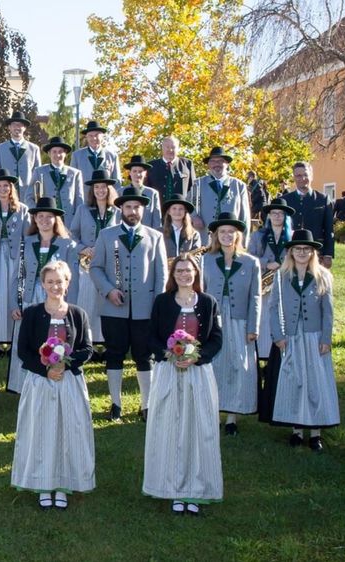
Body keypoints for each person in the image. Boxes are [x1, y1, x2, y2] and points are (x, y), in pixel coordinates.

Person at [144, 253, 224, 516]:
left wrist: (196, 357)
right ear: (173, 275)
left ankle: (197, 489)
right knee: (170, 427)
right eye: (179, 271)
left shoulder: (209, 303)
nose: (184, 275)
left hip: (198, 374)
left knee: (199, 428)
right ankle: (173, 488)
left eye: (188, 271)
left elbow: (216, 339)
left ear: (196, 273)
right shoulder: (162, 302)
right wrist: (171, 355)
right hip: (169, 372)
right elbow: (152, 337)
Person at [11, 261, 95, 510]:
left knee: (69, 431)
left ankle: (64, 483)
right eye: (50, 282)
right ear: (43, 284)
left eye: (60, 281)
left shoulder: (78, 314)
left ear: (67, 283)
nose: (55, 286)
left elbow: (87, 349)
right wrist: (45, 370)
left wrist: (63, 367)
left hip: (69, 382)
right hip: (41, 383)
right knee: (42, 430)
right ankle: (43, 483)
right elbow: (23, 351)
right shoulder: (33, 313)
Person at [90, 186, 168, 422]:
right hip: (114, 307)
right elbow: (95, 268)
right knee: (114, 354)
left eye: (137, 207)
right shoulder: (106, 235)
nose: (133, 211)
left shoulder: (155, 237)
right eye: (128, 207)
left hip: (145, 309)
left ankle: (146, 405)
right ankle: (115, 404)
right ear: (121, 208)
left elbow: (162, 274)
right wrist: (109, 290)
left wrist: (157, 306)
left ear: (142, 209)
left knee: (145, 356)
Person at [259, 230, 339, 450]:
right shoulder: (282, 276)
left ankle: (315, 432)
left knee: (315, 382)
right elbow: (274, 308)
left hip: (314, 337)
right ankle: (296, 429)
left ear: (313, 252)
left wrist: (325, 338)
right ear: (291, 252)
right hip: (291, 336)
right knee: (294, 381)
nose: (302, 253)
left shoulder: (322, 276)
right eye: (297, 249)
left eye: (306, 249)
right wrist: (278, 336)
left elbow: (328, 311)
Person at [7, 198, 81, 394]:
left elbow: (73, 280)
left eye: (49, 216)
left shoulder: (68, 245)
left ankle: (55, 372)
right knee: (29, 338)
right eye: (40, 216)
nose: (45, 220)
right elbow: (17, 275)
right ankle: (25, 384)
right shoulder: (27, 242)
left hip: (57, 299)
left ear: (56, 219)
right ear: (35, 219)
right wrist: (14, 303)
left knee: (54, 337)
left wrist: (68, 308)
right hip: (31, 297)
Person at [202, 212, 261, 435]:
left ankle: (232, 417)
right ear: (216, 235)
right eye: (222, 232)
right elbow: (202, 291)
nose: (227, 235)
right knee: (214, 364)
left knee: (238, 364)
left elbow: (255, 297)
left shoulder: (250, 262)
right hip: (214, 320)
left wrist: (253, 327)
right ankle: (213, 412)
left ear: (238, 236)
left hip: (239, 319)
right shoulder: (206, 259)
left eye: (231, 232)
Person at [0, 172, 31, 355]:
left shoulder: (22, 209)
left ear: (11, 188)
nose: (2, 189)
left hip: (14, 257)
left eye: (6, 186)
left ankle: (12, 339)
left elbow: (28, 235)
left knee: (12, 296)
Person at [68, 172, 120, 347]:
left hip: (110, 263)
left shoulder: (117, 211)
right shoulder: (83, 209)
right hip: (87, 262)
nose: (100, 190)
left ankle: (104, 343)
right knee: (87, 301)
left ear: (109, 189)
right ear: (92, 190)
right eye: (96, 187)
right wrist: (84, 248)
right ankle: (86, 341)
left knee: (104, 303)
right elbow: (72, 234)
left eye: (103, 187)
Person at [248, 197, 294, 361]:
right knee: (266, 316)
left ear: (285, 216)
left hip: (286, 283)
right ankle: (264, 353)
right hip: (264, 284)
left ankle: (282, 351)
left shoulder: (292, 236)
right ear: (268, 216)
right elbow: (249, 258)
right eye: (273, 213)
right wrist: (267, 263)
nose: (276, 216)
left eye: (280, 214)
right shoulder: (257, 235)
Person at [280, 162, 335, 268]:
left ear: (312, 175)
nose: (303, 178)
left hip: (316, 253)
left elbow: (329, 230)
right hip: (291, 253)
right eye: (298, 176)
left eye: (306, 175)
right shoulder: (285, 200)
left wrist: (328, 254)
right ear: (294, 178)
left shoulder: (323, 199)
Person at [191, 147, 250, 240]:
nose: (217, 164)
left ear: (227, 164)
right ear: (208, 164)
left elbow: (245, 217)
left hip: (231, 241)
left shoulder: (239, 186)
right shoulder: (197, 184)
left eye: (220, 161)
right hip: (204, 239)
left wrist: (244, 242)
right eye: (213, 161)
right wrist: (193, 217)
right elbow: (187, 208)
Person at [29, 137, 84, 225]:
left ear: (65, 154)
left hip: (69, 221)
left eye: (60, 152)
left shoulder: (75, 173)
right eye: (54, 152)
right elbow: (28, 197)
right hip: (47, 221)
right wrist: (39, 212)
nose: (57, 155)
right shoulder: (39, 171)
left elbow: (79, 201)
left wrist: (77, 220)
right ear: (49, 153)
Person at [0, 112, 42, 188]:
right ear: (9, 127)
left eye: (20, 124)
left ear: (24, 128)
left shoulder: (34, 149)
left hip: (27, 195)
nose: (17, 127)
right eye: (14, 124)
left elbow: (38, 175)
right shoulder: (0, 148)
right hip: (6, 194)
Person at [120, 156, 164, 231]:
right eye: (134, 171)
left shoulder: (152, 194)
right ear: (130, 173)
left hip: (147, 236)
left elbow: (157, 220)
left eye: (140, 171)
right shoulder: (120, 192)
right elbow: (117, 217)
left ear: (145, 173)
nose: (137, 174)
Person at [144, 136, 194, 201]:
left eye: (173, 147)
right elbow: (146, 191)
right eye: (167, 147)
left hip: (180, 209)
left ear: (178, 148)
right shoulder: (151, 166)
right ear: (162, 148)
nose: (170, 150)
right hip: (158, 209)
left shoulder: (187, 164)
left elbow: (193, 189)